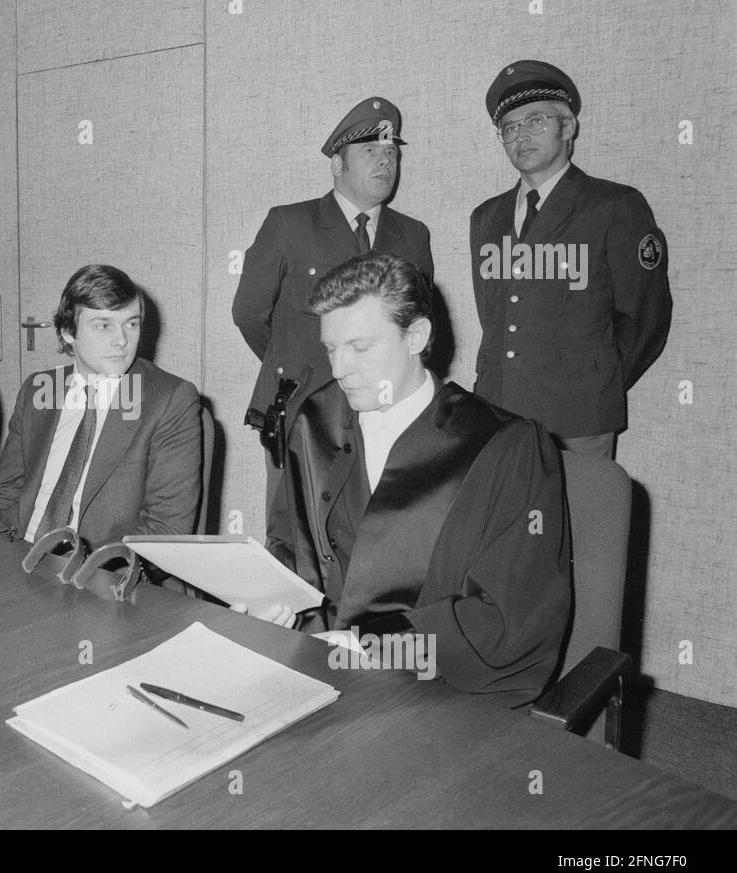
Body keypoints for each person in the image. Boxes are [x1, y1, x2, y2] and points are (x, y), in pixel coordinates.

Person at [260, 253, 570, 707]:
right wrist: (270, 601)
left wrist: (373, 649)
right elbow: (289, 545)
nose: (340, 369)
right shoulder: (315, 420)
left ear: (416, 337)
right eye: (331, 348)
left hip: (435, 687)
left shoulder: (505, 447)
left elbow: (509, 618)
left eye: (360, 348)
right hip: (317, 663)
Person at [233, 97, 433, 507]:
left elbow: (417, 326)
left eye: (391, 153)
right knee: (292, 535)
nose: (384, 162)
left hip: (383, 410)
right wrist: (297, 364)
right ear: (337, 164)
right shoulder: (289, 223)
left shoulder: (413, 235)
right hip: (302, 409)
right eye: (370, 151)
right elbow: (249, 314)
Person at [471, 60, 672, 458]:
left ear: (568, 128)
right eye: (509, 128)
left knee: (581, 518)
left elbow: (646, 316)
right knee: (507, 519)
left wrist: (595, 382)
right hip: (498, 409)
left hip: (578, 415)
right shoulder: (486, 217)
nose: (520, 135)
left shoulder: (614, 206)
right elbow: (496, 313)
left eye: (535, 121)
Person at [0, 264, 201, 547]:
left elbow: (165, 529)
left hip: (98, 569)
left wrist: (80, 572)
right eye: (103, 325)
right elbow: (4, 492)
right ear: (68, 331)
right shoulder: (38, 391)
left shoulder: (168, 400)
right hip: (17, 552)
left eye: (132, 323)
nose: (122, 341)